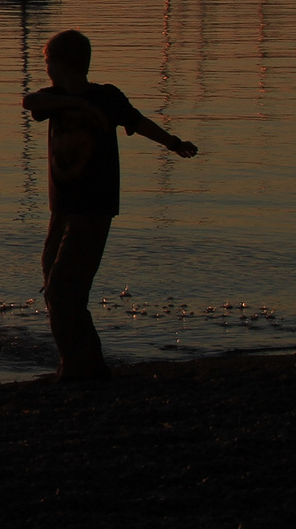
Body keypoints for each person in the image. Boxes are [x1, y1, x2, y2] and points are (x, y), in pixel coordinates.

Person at [23, 29, 198, 381]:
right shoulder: (53, 98)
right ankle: (75, 361)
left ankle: (83, 366)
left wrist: (173, 143)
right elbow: (30, 102)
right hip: (62, 209)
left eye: (47, 62)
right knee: (54, 286)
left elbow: (139, 122)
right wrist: (77, 105)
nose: (46, 70)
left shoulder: (107, 97)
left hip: (93, 207)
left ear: (60, 63)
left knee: (65, 288)